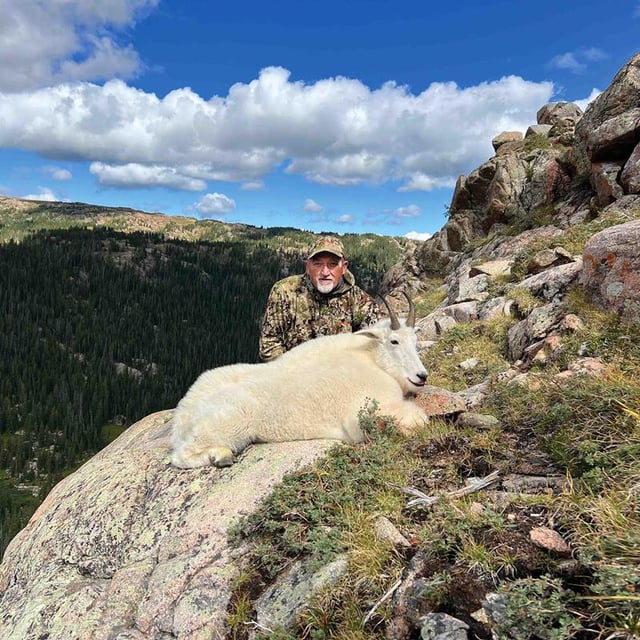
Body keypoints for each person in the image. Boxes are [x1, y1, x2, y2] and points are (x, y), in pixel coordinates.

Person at [259, 236, 382, 361]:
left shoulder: (361, 301)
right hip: (294, 370)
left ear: (344, 267)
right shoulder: (285, 291)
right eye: (317, 264)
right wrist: (295, 370)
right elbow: (269, 345)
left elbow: (375, 346)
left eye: (332, 264)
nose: (325, 272)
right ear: (307, 266)